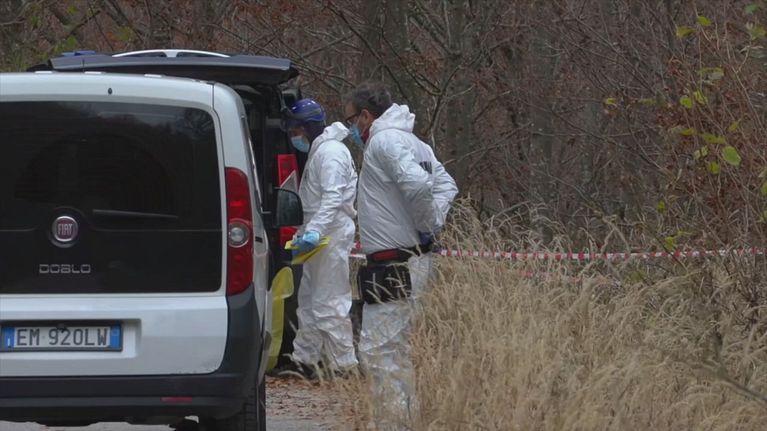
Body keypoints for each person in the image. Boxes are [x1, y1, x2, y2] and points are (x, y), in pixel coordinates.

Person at [344, 83, 458, 428]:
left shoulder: (384, 142)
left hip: (396, 263)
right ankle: (404, 419)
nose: (352, 128)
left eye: (352, 119)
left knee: (378, 350)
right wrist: (430, 223)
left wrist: (427, 223)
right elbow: (446, 184)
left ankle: (391, 423)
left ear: (366, 116)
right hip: (408, 261)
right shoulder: (416, 143)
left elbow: (419, 185)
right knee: (397, 349)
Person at [284, 98, 359, 377]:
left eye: (296, 131)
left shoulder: (331, 153)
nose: (295, 137)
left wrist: (315, 230)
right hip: (319, 236)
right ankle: (306, 360)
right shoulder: (321, 151)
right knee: (309, 301)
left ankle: (344, 366)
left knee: (330, 301)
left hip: (330, 234)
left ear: (307, 127)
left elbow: (332, 198)